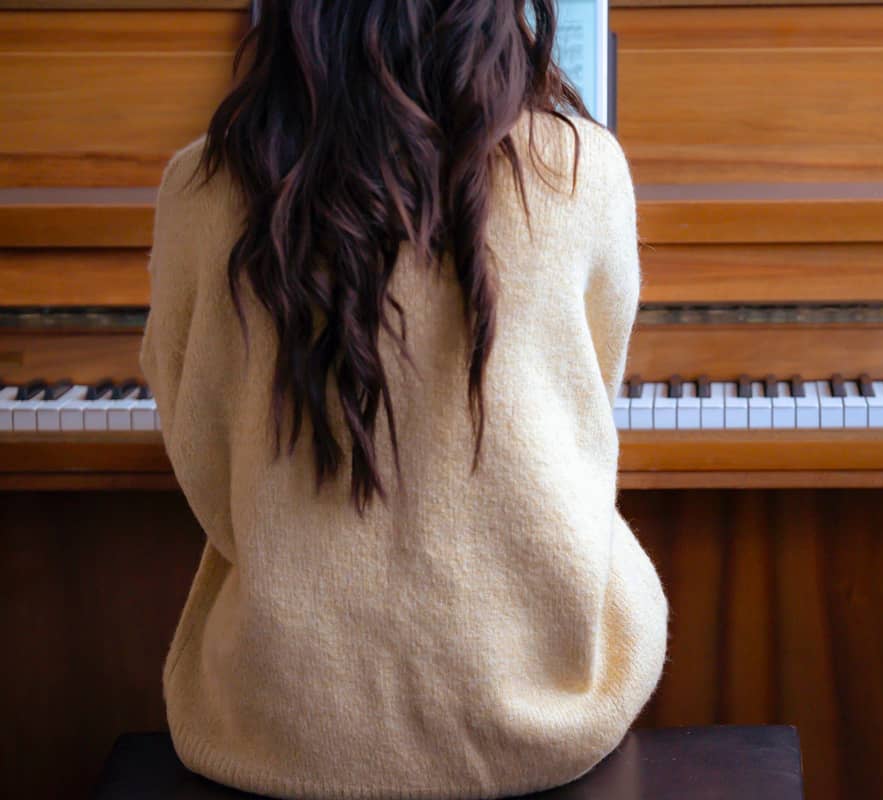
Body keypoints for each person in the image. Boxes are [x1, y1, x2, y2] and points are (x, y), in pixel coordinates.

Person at [139, 2, 668, 797]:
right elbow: (589, 419)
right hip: (542, 715)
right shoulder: (584, 168)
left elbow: (204, 460)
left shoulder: (199, 185)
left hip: (280, 721)